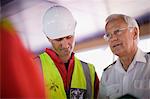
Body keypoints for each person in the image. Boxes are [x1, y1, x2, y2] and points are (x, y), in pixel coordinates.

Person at [35, 5, 99, 99]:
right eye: (59, 39)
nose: (65, 45)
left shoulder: (89, 71)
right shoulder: (34, 67)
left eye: (69, 37)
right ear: (48, 38)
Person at [99, 14, 150, 99]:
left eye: (118, 31)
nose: (112, 39)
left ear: (134, 33)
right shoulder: (107, 75)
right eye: (108, 35)